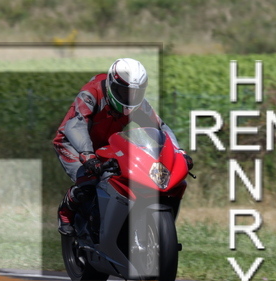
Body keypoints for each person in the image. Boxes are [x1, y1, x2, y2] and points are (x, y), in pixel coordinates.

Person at [52, 57, 193, 236]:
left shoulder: (138, 104)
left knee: (122, 177)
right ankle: (66, 212)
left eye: (135, 93)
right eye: (123, 91)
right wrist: (88, 156)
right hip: (72, 142)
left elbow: (161, 128)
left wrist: (178, 152)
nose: (129, 97)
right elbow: (76, 125)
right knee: (90, 179)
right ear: (112, 84)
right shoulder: (91, 93)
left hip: (104, 145)